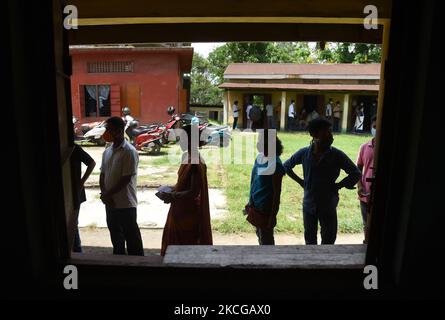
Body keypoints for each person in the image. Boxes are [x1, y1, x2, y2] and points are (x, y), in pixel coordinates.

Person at [283, 118, 361, 245]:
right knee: (310, 240)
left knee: (329, 240)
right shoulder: (304, 154)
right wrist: (301, 182)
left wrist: (339, 185)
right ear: (314, 135)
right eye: (326, 132)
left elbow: (356, 173)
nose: (330, 135)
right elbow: (286, 166)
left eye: (330, 132)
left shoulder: (337, 155)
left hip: (328, 205)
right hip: (309, 205)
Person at [160, 124, 213, 256]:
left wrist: (173, 196)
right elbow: (183, 184)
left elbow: (193, 192)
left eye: (182, 138)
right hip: (180, 209)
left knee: (184, 251)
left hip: (188, 213)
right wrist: (171, 189)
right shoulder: (187, 157)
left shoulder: (195, 162)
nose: (180, 141)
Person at [100, 116, 144, 256]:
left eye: (109, 129)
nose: (106, 132)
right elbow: (102, 175)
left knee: (132, 240)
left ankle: (139, 266)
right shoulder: (107, 151)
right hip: (110, 203)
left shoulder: (129, 152)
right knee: (116, 238)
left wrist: (107, 194)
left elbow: (125, 179)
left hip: (125, 204)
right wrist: (104, 194)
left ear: (119, 130)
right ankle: (119, 265)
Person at [246, 130, 285, 245]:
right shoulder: (260, 158)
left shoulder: (276, 165)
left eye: (261, 141)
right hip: (256, 207)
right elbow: (253, 181)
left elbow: (276, 193)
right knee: (260, 237)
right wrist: (250, 202)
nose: (258, 143)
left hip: (266, 211)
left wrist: (272, 216)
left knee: (266, 242)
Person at [70, 144, 96, 253]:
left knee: (73, 223)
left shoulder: (74, 148)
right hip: (72, 192)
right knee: (72, 223)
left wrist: (81, 182)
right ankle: (76, 250)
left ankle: (77, 251)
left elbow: (91, 163)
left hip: (75, 192)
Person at [356, 116, 377, 241]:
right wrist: (359, 185)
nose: (376, 129)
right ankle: (366, 243)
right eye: (374, 127)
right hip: (365, 192)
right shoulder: (364, 147)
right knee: (366, 223)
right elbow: (358, 167)